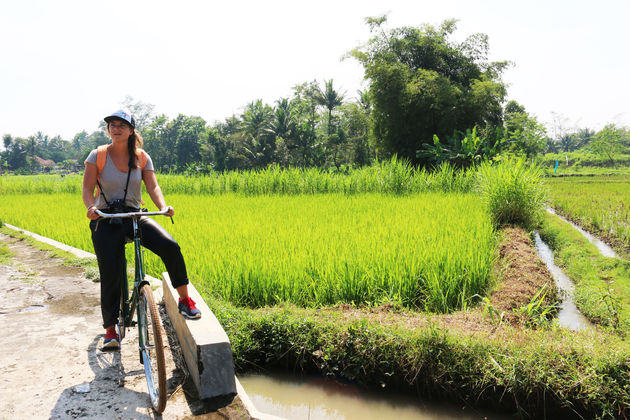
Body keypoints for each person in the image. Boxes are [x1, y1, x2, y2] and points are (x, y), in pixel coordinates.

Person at [82, 109, 201, 350]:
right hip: (105, 218)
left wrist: (162, 205)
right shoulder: (98, 155)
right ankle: (110, 330)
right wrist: (91, 207)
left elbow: (153, 186)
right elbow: (87, 188)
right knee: (111, 272)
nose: (116, 128)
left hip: (134, 215)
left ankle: (185, 299)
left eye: (121, 125)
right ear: (108, 130)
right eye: (112, 125)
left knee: (170, 246)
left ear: (131, 130)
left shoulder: (142, 157)